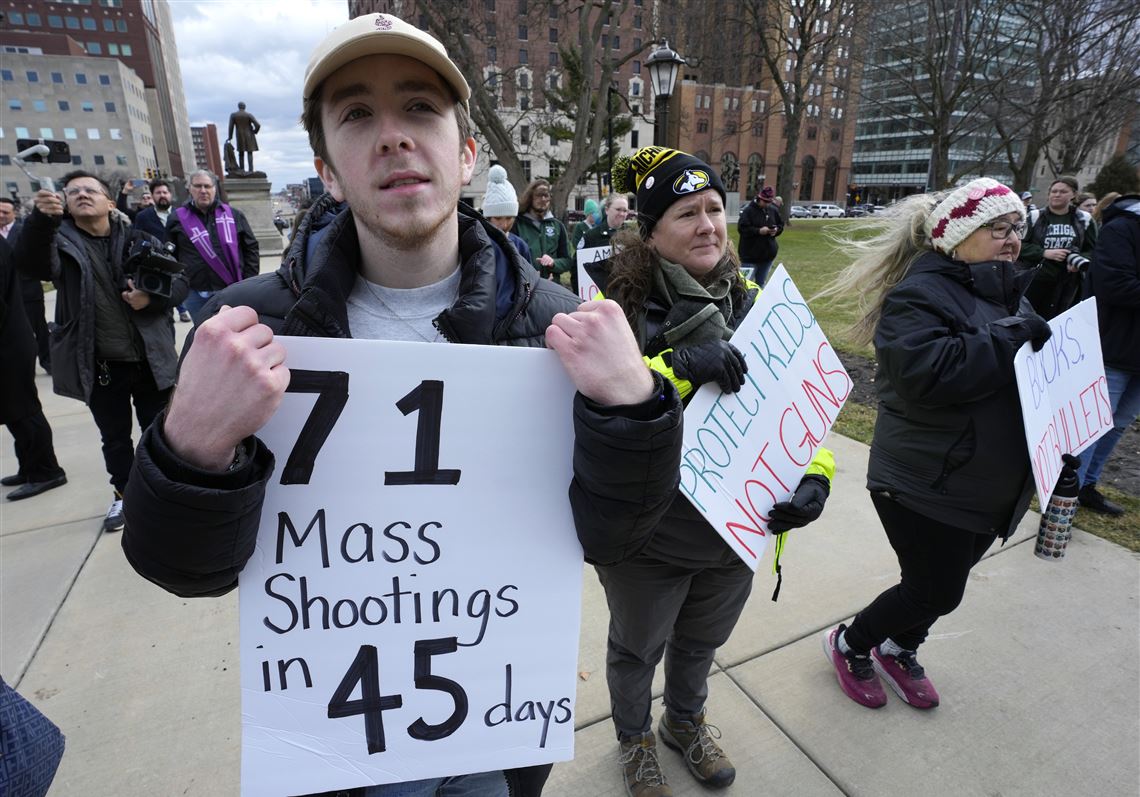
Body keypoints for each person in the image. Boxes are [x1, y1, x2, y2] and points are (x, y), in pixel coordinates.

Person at [120, 13, 683, 797]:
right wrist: (189, 448)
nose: (392, 136)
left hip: (493, 723)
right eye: (357, 114)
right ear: (326, 167)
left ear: (467, 154)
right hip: (338, 741)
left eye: (420, 108)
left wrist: (635, 409)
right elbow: (182, 568)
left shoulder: (553, 322)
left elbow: (617, 533)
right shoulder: (251, 330)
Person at [590, 146, 835, 797]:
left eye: (714, 208)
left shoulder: (759, 304)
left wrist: (815, 476)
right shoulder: (616, 309)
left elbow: (800, 404)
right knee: (637, 650)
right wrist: (676, 367)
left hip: (735, 530)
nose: (707, 224)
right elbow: (593, 408)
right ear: (650, 232)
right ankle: (635, 737)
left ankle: (684, 722)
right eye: (685, 212)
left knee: (699, 644)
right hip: (649, 535)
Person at [817, 178, 1052, 711]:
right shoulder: (918, 294)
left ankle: (901, 645)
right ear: (959, 234)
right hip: (924, 480)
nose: (1013, 238)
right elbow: (928, 373)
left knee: (943, 581)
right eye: (998, 227)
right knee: (935, 590)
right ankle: (852, 643)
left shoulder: (1006, 292)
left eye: (1017, 226)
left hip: (986, 482)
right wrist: (1012, 335)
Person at [11, 171, 188, 531]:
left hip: (151, 361)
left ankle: (164, 496)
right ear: (65, 203)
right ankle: (124, 497)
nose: (81, 194)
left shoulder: (139, 238)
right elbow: (30, 266)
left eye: (90, 190)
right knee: (116, 440)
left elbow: (181, 282)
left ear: (109, 202)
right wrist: (41, 221)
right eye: (73, 191)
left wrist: (151, 298)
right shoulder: (59, 243)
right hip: (101, 365)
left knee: (161, 434)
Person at [1074, 193, 1140, 516]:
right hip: (1113, 346)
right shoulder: (1123, 228)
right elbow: (1114, 284)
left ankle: (1087, 485)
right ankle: (1065, 498)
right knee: (1093, 424)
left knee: (1119, 423)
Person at [1, 232, 67, 500]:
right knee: (13, 411)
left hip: (8, 344)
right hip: (10, 340)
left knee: (23, 410)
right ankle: (29, 466)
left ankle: (46, 471)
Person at [167, 169, 259, 323]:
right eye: (198, 186)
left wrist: (248, 282)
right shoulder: (177, 218)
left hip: (230, 288)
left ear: (214, 189)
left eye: (207, 186)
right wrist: (181, 282)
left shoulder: (234, 215)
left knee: (235, 332)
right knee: (204, 334)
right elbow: (171, 255)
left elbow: (251, 249)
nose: (203, 191)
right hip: (194, 291)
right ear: (189, 188)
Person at [1020, 175, 1097, 319]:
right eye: (1054, 191)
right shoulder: (1035, 216)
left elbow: (1094, 250)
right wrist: (1044, 253)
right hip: (1036, 280)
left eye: (1063, 191)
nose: (1057, 194)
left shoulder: (1084, 219)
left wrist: (1079, 260)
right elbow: (1019, 246)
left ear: (1073, 194)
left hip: (1069, 283)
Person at [125, 178, 191, 322]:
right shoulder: (143, 216)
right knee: (163, 308)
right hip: (156, 266)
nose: (162, 195)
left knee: (178, 292)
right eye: (158, 192)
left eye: (165, 192)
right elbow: (137, 240)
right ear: (153, 195)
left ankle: (182, 310)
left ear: (170, 195)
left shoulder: (182, 214)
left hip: (180, 265)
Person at [1, 196, 52, 373]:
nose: (1, 215)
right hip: (4, 292)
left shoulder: (24, 231)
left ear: (14, 213)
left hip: (28, 290)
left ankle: (48, 361)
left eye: (5, 212)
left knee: (39, 329)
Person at [514, 178, 574, 288]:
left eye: (546, 196)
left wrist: (554, 263)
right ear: (530, 197)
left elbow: (568, 261)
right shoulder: (517, 224)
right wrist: (530, 276)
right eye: (538, 195)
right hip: (525, 288)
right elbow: (512, 258)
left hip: (553, 287)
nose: (543, 199)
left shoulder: (557, 226)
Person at [480, 164, 532, 262]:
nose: (504, 225)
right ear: (488, 217)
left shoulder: (520, 246)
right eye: (498, 218)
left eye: (509, 218)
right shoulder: (477, 245)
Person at [736, 185, 782, 285]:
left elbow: (780, 224)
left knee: (761, 283)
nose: (767, 204)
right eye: (765, 202)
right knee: (745, 285)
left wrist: (776, 230)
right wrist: (758, 231)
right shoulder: (748, 211)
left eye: (769, 202)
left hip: (767, 256)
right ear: (759, 199)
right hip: (750, 256)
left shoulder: (773, 210)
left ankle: (759, 301)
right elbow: (742, 228)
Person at [227, 101, 261, 173]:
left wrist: (230, 137)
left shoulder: (234, 115)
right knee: (249, 152)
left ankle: (242, 169)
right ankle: (250, 170)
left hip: (239, 135)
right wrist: (255, 131)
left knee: (241, 153)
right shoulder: (249, 115)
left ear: (238, 107)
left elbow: (231, 127)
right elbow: (258, 125)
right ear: (244, 107)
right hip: (249, 135)